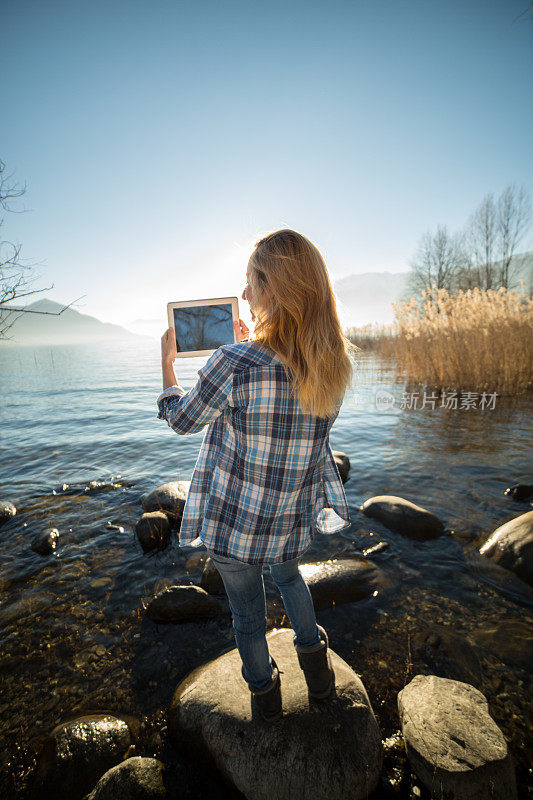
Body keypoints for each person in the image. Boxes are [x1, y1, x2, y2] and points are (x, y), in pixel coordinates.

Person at [157, 229, 360, 723]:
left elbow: (183, 419)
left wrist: (167, 369)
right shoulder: (332, 365)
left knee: (247, 616)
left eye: (251, 283)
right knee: (291, 580)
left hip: (235, 529)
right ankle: (320, 683)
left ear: (274, 289)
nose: (244, 295)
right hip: (289, 524)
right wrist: (254, 346)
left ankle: (266, 705)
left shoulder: (233, 363)